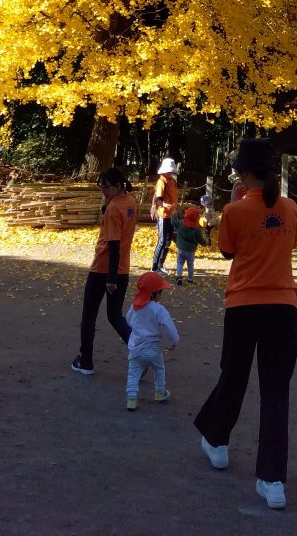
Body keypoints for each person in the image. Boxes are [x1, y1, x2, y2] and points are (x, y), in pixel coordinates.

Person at [194, 138, 297, 511]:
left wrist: (239, 204)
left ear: (243, 173)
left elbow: (227, 250)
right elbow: (291, 245)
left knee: (233, 376)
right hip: (283, 307)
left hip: (243, 305)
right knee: (275, 391)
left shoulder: (234, 211)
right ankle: (273, 481)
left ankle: (217, 439)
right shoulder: (290, 209)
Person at [72, 167, 137, 375]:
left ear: (118, 186)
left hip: (103, 269)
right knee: (114, 315)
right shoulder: (130, 203)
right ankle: (141, 355)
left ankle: (86, 360)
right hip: (122, 268)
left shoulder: (113, 209)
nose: (103, 191)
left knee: (89, 315)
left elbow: (113, 245)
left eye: (106, 187)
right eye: (101, 186)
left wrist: (110, 278)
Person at [125, 271, 179, 411]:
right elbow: (168, 326)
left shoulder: (134, 307)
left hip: (135, 348)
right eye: (160, 292)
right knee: (159, 369)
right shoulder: (158, 309)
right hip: (153, 348)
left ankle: (131, 400)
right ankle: (160, 392)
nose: (161, 295)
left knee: (133, 374)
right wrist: (174, 341)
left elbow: (128, 320)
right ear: (154, 294)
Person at [151, 157, 179, 275]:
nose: (171, 172)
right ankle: (154, 267)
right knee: (161, 241)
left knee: (168, 241)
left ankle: (161, 265)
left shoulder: (172, 181)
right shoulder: (161, 181)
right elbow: (158, 200)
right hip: (163, 215)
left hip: (171, 215)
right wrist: (164, 205)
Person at [172, 205, 210, 285]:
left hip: (181, 249)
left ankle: (179, 276)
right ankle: (190, 279)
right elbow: (200, 239)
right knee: (190, 265)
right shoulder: (197, 229)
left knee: (179, 263)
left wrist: (174, 214)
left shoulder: (181, 223)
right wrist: (205, 242)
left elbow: (173, 222)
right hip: (191, 251)